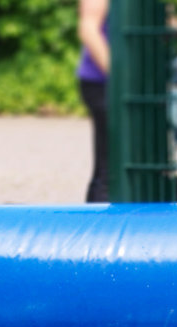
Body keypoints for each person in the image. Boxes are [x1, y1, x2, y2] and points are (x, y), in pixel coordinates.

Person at [77, 0, 109, 202]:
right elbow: (88, 29)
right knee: (109, 167)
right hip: (102, 83)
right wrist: (122, 78)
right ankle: (100, 226)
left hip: (132, 87)